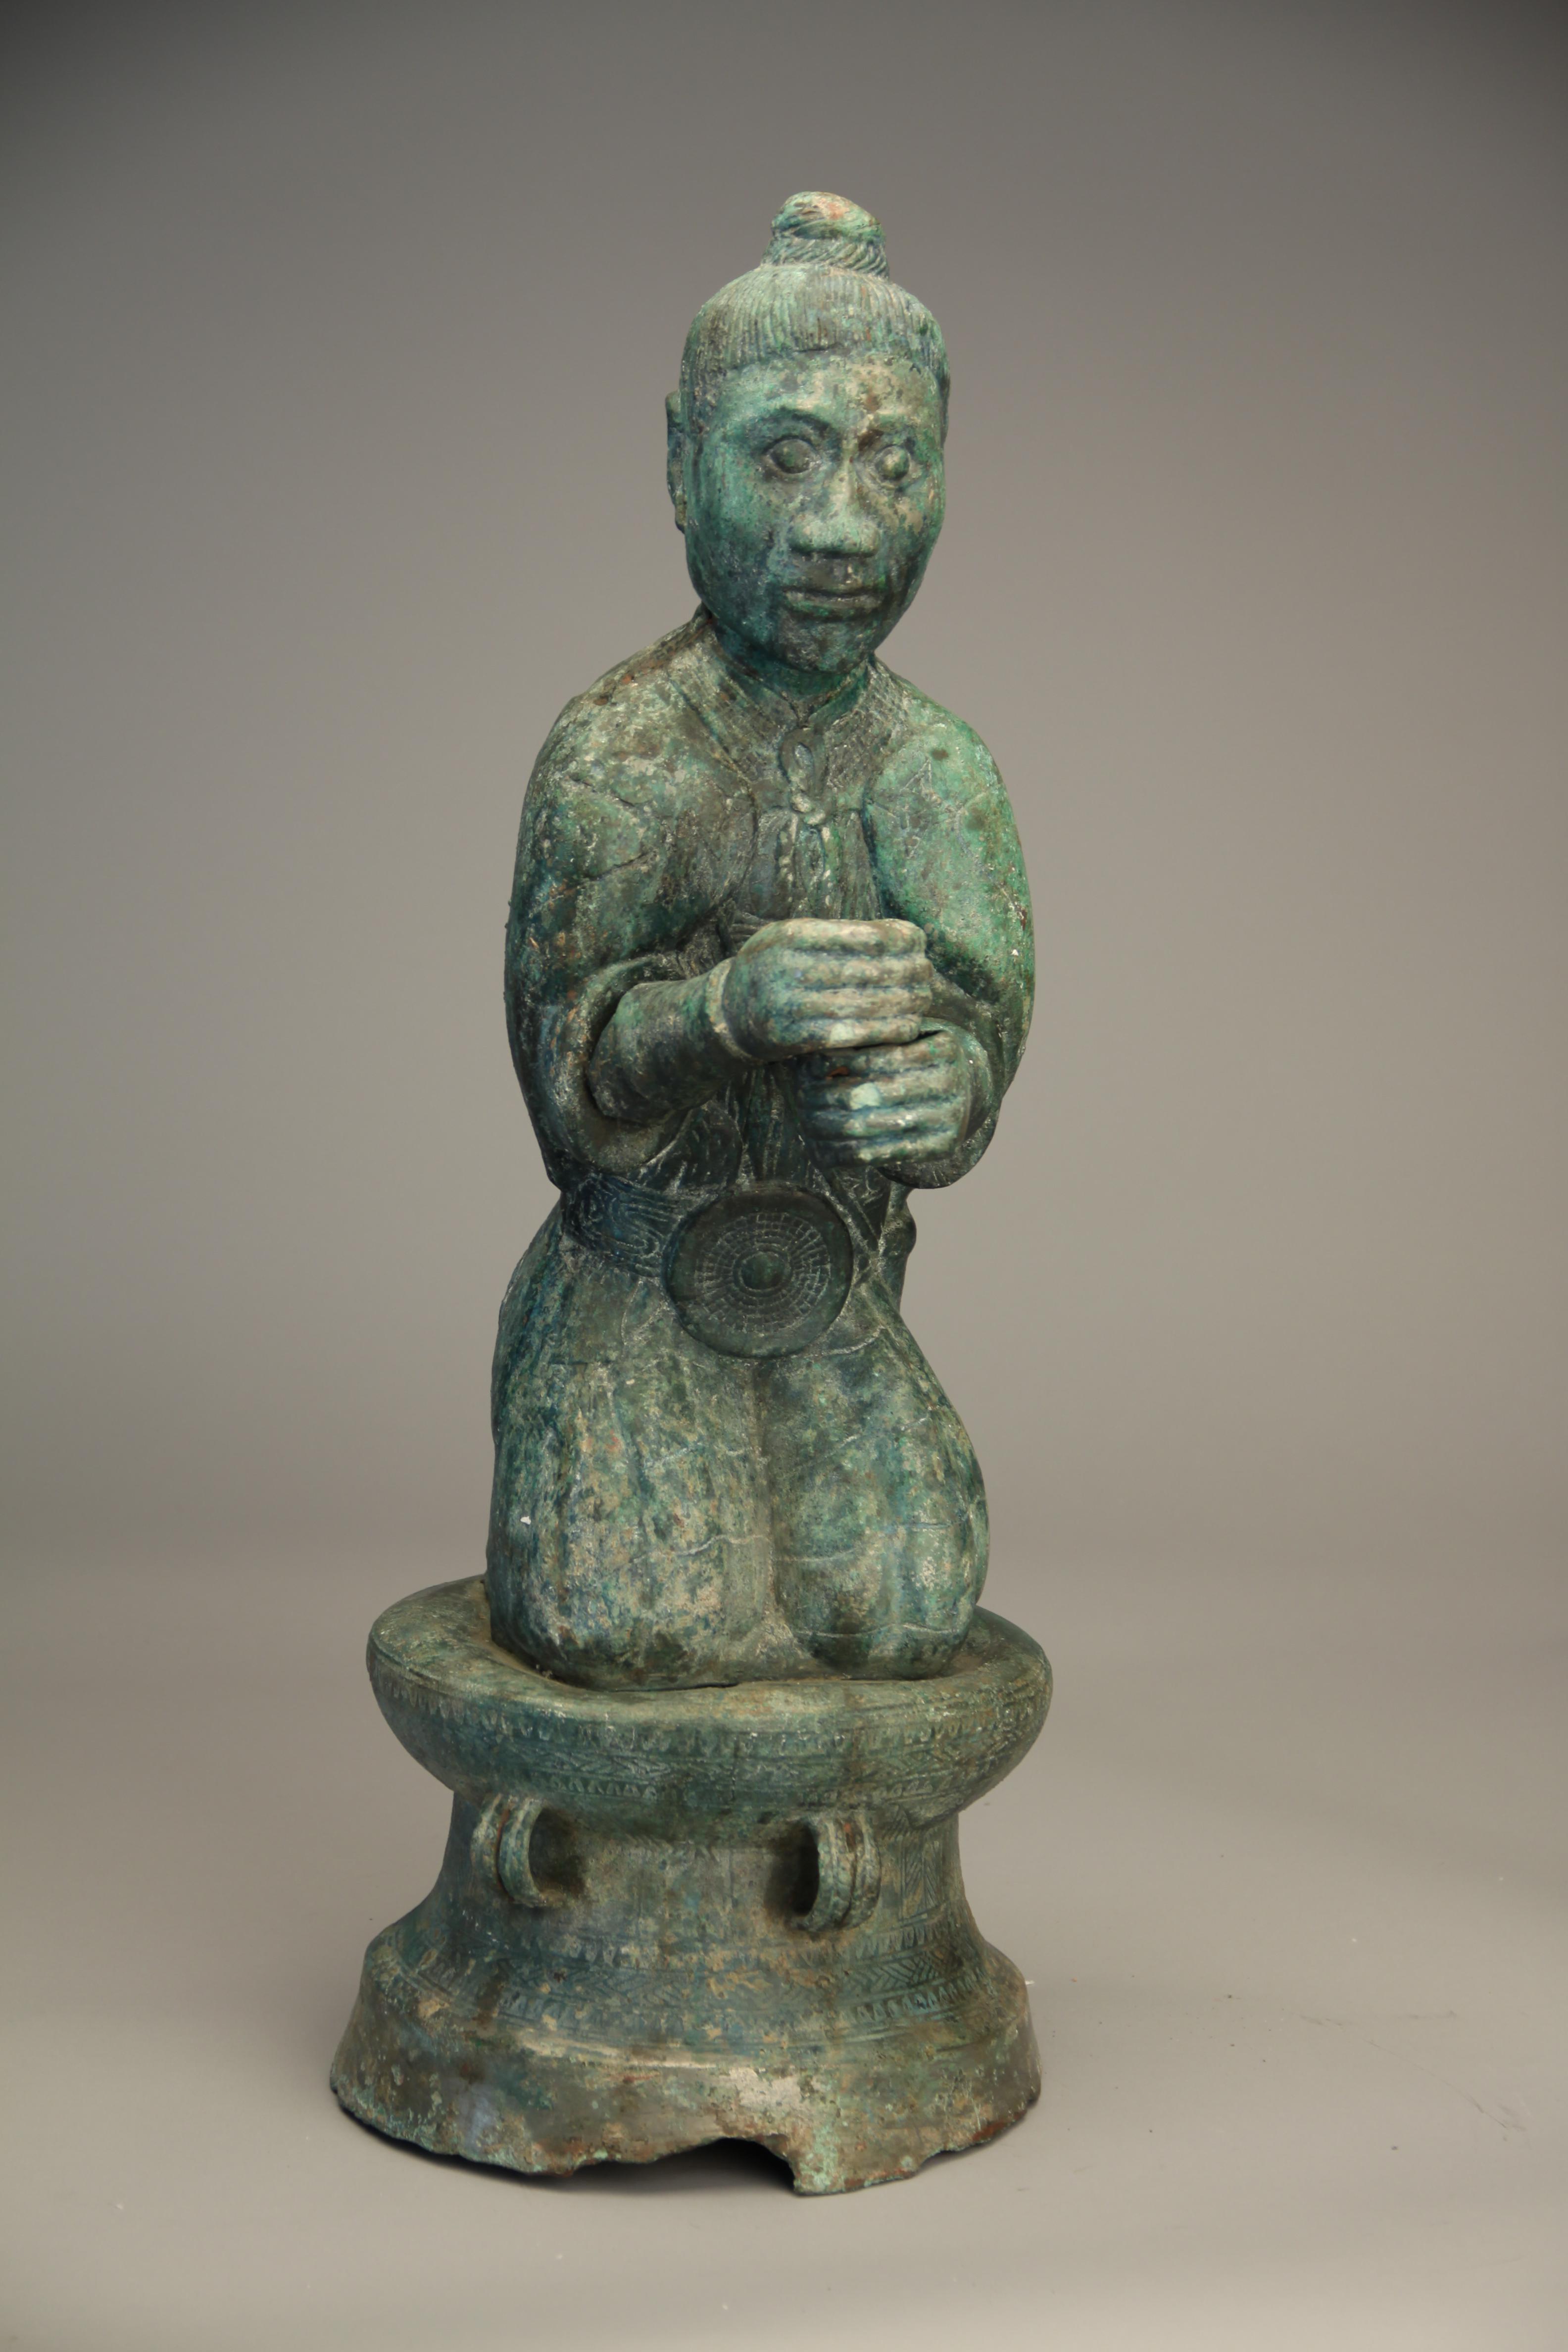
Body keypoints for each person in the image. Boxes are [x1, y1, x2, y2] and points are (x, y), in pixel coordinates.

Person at [487, 193, 1033, 1689]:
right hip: (634, 1287)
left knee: (910, 1621)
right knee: (639, 1637)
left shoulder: (937, 772)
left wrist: (954, 1087)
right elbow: (569, 1084)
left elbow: (980, 1023)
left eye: (893, 462)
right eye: (784, 456)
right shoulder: (621, 753)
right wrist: (721, 1014)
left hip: (834, 1294)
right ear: (683, 465)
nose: (844, 526)